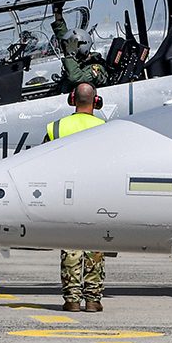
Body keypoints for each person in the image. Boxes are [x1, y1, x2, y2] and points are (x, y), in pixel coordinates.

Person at [46, 82, 107, 312]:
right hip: (95, 194)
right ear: (96, 101)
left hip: (67, 194)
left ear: (72, 99)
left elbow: (43, 161)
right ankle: (93, 299)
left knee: (71, 247)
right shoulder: (105, 127)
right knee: (94, 247)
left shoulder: (57, 127)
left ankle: (71, 299)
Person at [52, 3, 110, 87]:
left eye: (69, 49)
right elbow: (63, 35)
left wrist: (70, 54)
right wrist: (58, 12)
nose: (66, 50)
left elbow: (75, 78)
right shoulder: (78, 59)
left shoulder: (95, 68)